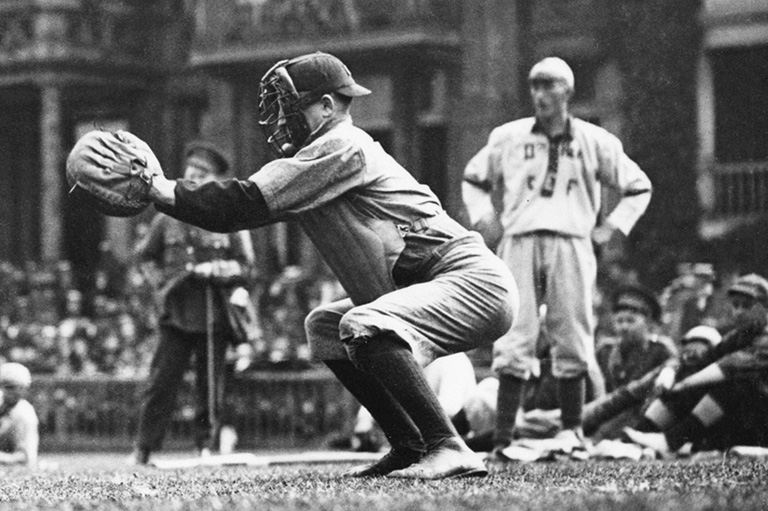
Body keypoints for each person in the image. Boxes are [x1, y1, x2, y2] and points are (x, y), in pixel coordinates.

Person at [144, 52, 519, 479]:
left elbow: (239, 205)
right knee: (325, 327)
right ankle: (409, 444)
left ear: (326, 106)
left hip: (473, 282)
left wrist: (159, 189)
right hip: (446, 280)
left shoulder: (338, 145)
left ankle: (448, 445)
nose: (282, 119)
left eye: (291, 106)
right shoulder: (322, 153)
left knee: (364, 323)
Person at [462, 56, 652, 462]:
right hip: (520, 240)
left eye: (549, 86)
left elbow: (638, 186)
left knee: (573, 331)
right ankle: (503, 438)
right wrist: (486, 220)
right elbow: (474, 179)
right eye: (534, 86)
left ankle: (572, 431)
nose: (540, 95)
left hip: (571, 241)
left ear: (567, 91)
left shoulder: (594, 140)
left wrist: (611, 228)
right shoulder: (508, 137)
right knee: (515, 332)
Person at [128, 141, 257, 466]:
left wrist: (216, 269)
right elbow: (144, 256)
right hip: (176, 311)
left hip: (214, 311)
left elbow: (248, 266)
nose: (195, 178)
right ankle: (144, 448)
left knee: (210, 386)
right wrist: (160, 285)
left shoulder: (229, 217)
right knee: (161, 383)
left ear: (216, 181)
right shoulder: (166, 216)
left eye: (204, 174)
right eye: (192, 171)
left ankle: (204, 447)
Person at [625, 273, 768, 456]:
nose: (739, 311)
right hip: (745, 420)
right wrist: (671, 371)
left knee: (735, 385)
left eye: (746, 306)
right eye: (736, 305)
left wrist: (683, 384)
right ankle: (633, 440)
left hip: (761, 423)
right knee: (687, 378)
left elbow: (729, 367)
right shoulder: (738, 336)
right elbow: (699, 360)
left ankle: (670, 441)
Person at [596, 285, 675, 394]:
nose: (624, 327)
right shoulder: (605, 351)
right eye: (619, 321)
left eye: (630, 321)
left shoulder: (660, 351)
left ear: (647, 322)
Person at [0, 362, 39, 466]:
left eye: (15, 387)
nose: (12, 391)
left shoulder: (24, 414)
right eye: (6, 386)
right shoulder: (2, 404)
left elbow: (25, 458)